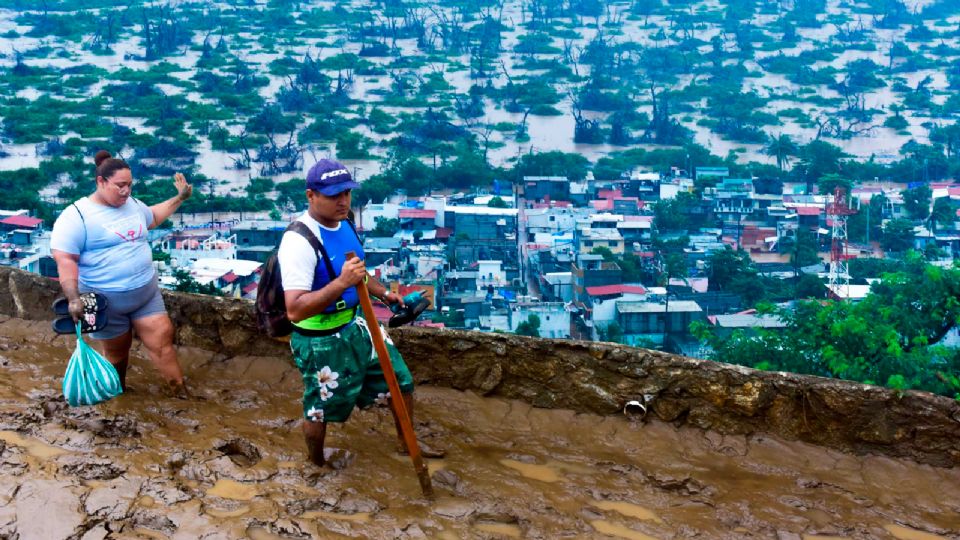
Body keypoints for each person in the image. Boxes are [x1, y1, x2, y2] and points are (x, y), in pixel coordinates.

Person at [279, 158, 442, 466]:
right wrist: (342, 282)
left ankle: (407, 443)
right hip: (320, 339)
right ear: (311, 195)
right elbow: (294, 309)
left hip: (356, 325)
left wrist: (383, 293)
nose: (342, 201)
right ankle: (315, 462)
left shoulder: (346, 222)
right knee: (320, 407)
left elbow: (359, 272)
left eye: (347, 193)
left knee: (401, 381)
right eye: (333, 195)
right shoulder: (299, 241)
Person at [50, 150, 193, 395]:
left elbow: (154, 217)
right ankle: (119, 394)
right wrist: (73, 297)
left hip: (145, 294)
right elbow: (65, 259)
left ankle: (180, 391)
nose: (126, 191)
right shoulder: (76, 216)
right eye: (120, 186)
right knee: (117, 353)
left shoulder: (133, 205)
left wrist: (180, 197)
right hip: (106, 300)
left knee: (162, 344)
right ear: (101, 182)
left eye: (129, 185)